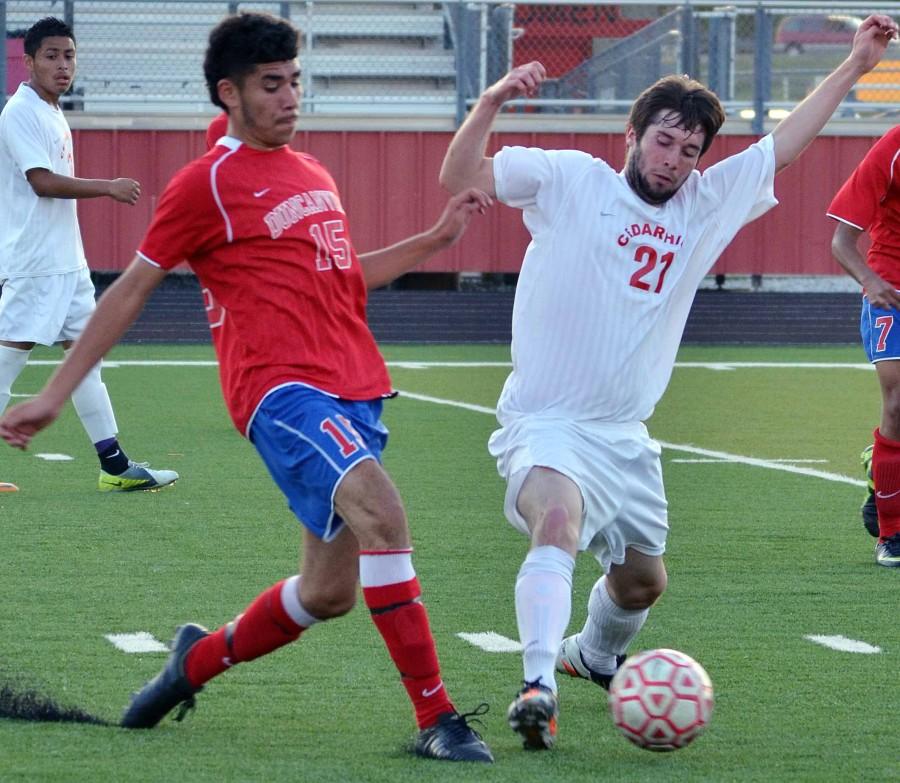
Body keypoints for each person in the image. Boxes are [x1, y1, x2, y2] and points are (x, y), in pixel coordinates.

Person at [0, 11, 494, 763]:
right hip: (281, 392)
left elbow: (344, 277)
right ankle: (439, 718)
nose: (290, 96)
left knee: (328, 592)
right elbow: (131, 287)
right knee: (383, 511)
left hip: (353, 386)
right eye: (272, 85)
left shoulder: (312, 173)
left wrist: (433, 240)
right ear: (229, 94)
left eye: (295, 80)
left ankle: (190, 663)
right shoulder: (207, 183)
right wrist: (53, 394)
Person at [439, 15, 898, 750]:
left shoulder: (705, 206)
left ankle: (589, 654)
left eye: (691, 149)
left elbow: (784, 143)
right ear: (633, 131)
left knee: (642, 583)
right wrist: (491, 99)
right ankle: (537, 685)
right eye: (664, 139)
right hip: (547, 421)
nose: (675, 159)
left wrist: (855, 64)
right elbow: (461, 177)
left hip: (624, 436)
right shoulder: (567, 178)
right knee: (556, 520)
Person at [0, 17, 177, 492]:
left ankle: (115, 466)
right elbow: (41, 182)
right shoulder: (20, 112)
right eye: (52, 56)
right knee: (6, 362)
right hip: (35, 264)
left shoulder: (51, 109)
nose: (62, 65)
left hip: (67, 264)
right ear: (30, 60)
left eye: (69, 56)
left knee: (85, 362)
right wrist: (108, 187)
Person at [827, 125, 900, 567]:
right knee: (897, 402)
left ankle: (883, 467)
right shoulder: (892, 148)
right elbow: (841, 241)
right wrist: (871, 282)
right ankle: (891, 536)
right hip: (892, 289)